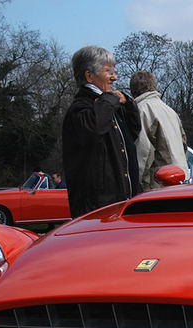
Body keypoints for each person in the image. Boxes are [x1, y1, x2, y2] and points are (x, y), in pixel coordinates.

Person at [62, 45, 142, 218]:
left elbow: (132, 134)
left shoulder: (109, 107)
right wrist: (110, 99)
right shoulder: (80, 110)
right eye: (108, 71)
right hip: (97, 210)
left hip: (120, 204)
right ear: (89, 76)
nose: (115, 77)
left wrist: (127, 104)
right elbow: (96, 128)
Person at [130, 71, 189, 190]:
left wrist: (139, 187)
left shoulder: (142, 111)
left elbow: (143, 153)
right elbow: (184, 146)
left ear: (132, 90)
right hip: (182, 179)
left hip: (161, 184)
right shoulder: (170, 111)